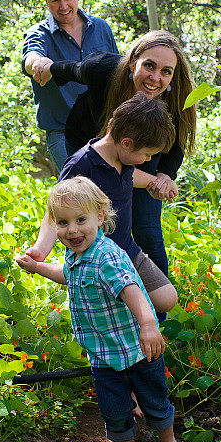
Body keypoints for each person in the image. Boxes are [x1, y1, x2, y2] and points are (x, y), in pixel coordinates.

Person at [16, 177, 187, 442]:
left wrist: (148, 326)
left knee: (155, 401)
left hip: (138, 350)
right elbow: (66, 274)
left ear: (100, 216)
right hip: (104, 355)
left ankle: (169, 441)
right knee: (113, 406)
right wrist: (38, 266)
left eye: (80, 219)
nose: (72, 230)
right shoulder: (76, 253)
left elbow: (132, 291)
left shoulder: (107, 257)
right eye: (62, 223)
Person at [33, 30, 197, 281]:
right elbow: (74, 69)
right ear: (133, 61)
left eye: (166, 71)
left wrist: (164, 176)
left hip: (143, 150)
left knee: (147, 229)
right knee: (89, 218)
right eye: (149, 66)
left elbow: (176, 142)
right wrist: (49, 67)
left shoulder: (176, 97)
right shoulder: (103, 70)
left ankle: (154, 311)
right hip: (90, 144)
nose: (156, 78)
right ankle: (94, 286)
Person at [24, 95, 179, 316]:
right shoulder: (81, 165)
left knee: (167, 298)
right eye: (146, 154)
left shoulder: (124, 160)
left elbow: (130, 176)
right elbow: (56, 210)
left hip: (126, 249)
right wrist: (40, 251)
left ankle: (128, 307)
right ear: (126, 143)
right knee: (116, 308)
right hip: (95, 257)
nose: (147, 159)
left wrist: (154, 182)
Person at [22, 0, 119, 171]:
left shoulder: (101, 27)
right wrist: (40, 64)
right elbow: (30, 59)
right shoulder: (38, 34)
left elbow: (117, 73)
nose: (63, 6)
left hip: (104, 129)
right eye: (55, 0)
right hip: (62, 132)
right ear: (46, 1)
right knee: (81, 189)